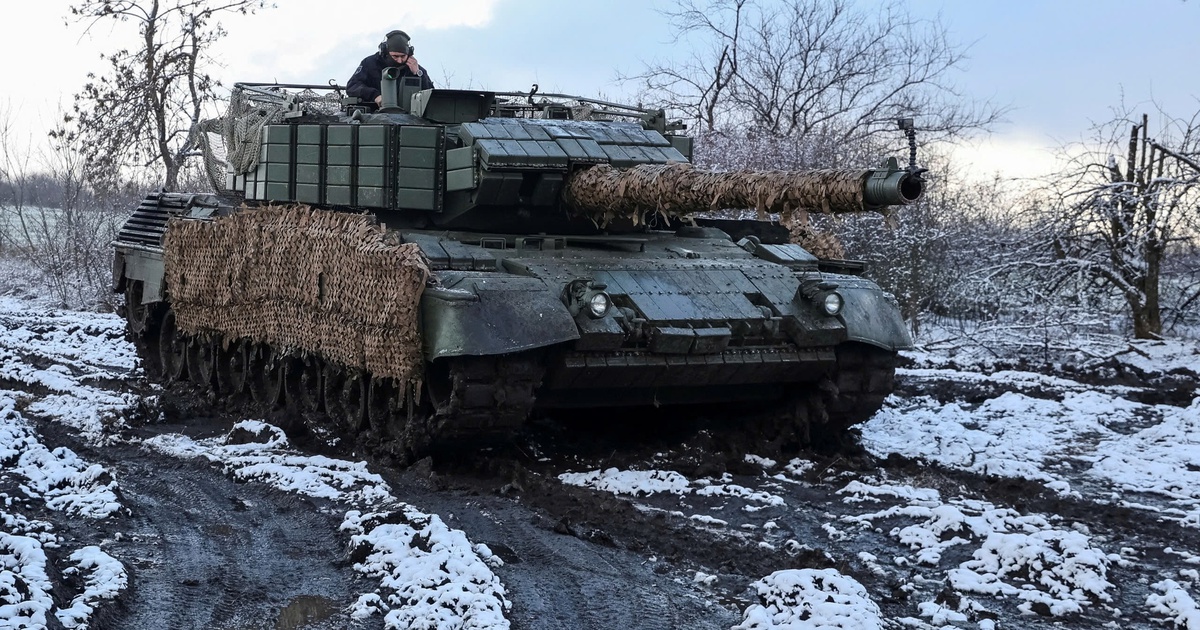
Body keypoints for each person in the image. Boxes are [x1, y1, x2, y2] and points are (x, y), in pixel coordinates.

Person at [346, 30, 435, 107]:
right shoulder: (370, 63)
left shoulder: (414, 68)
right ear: (385, 51)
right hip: (373, 113)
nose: (400, 61)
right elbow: (352, 86)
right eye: (395, 56)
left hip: (410, 116)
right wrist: (375, 96)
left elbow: (432, 96)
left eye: (403, 56)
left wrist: (418, 74)